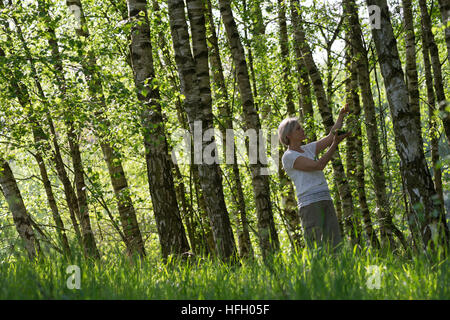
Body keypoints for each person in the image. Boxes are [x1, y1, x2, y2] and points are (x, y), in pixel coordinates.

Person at [278, 105, 350, 251]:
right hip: (310, 205)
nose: (302, 130)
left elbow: (330, 137)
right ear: (288, 136)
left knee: (335, 244)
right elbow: (319, 165)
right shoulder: (288, 157)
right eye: (298, 129)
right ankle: (317, 273)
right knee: (316, 247)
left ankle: (337, 273)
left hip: (325, 198)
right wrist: (335, 144)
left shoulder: (308, 149)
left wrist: (341, 115)